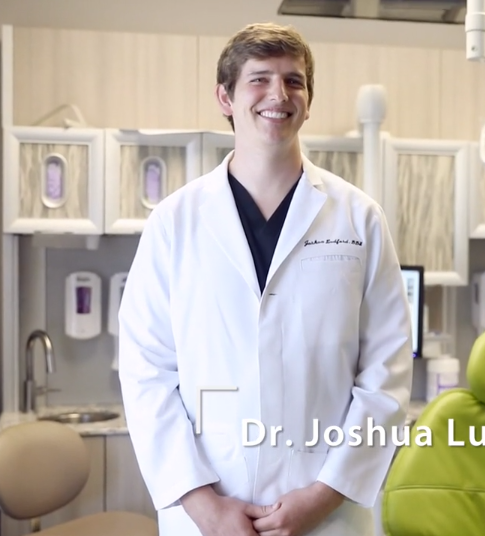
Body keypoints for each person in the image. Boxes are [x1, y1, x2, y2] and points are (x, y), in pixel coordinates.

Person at [118, 22, 413, 536]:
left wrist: (323, 498)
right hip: (206, 512)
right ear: (225, 97)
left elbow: (385, 374)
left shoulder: (358, 218)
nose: (278, 95)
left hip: (327, 513)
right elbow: (147, 373)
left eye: (293, 81)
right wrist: (205, 506)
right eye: (259, 79)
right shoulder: (174, 222)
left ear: (309, 99)